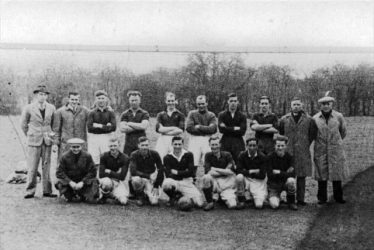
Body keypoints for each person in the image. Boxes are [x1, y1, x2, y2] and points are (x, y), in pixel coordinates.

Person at [278, 97, 318, 205]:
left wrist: (304, 143)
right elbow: (281, 134)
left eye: (298, 104)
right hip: (288, 151)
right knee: (288, 174)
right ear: (290, 106)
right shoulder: (284, 119)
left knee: (301, 175)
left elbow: (312, 134)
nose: (296, 107)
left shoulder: (309, 120)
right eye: (294, 105)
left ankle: (300, 199)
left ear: (302, 105)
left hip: (302, 151)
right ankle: (289, 198)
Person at [21, 85, 57, 199]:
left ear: (47, 96)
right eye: (40, 94)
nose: (42, 96)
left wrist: (51, 137)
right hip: (34, 140)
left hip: (47, 140)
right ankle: (30, 190)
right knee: (32, 166)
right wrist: (30, 134)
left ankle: (47, 190)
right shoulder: (28, 108)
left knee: (46, 166)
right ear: (36, 95)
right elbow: (23, 124)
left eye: (45, 94)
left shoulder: (51, 108)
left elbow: (53, 125)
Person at [313, 93, 348, 204]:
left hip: (335, 149)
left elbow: (343, 132)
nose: (326, 106)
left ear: (331, 104)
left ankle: (338, 197)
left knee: (336, 173)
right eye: (323, 104)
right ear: (320, 106)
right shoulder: (315, 118)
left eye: (328, 104)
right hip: (321, 149)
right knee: (321, 174)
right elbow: (313, 133)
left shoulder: (338, 116)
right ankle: (322, 198)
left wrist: (335, 142)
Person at [162, 136, 204, 210]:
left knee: (199, 204)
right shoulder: (167, 157)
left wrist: (177, 172)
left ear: (183, 144)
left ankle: (182, 196)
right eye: (175, 144)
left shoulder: (189, 155)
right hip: (174, 182)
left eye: (179, 144)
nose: (177, 146)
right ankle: (173, 197)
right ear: (172, 144)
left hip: (186, 181)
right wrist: (185, 172)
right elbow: (168, 174)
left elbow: (191, 172)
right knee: (166, 184)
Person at [55, 138, 99, 203]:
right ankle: (68, 194)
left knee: (91, 200)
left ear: (81, 147)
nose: (76, 149)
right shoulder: (64, 156)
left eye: (78, 147)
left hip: (83, 182)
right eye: (73, 147)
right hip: (69, 183)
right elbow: (59, 172)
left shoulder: (87, 156)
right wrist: (70, 182)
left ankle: (83, 194)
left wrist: (82, 182)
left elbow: (93, 171)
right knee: (59, 182)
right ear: (70, 147)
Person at [202, 136, 238, 211]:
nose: (214, 147)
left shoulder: (227, 155)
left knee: (232, 205)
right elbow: (208, 172)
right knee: (206, 177)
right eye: (212, 145)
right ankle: (210, 202)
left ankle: (222, 198)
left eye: (216, 144)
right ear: (209, 145)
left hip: (226, 182)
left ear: (220, 145)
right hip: (215, 181)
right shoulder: (208, 155)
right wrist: (224, 171)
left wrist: (215, 169)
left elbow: (231, 172)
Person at [53, 91, 89, 158]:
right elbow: (56, 130)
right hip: (66, 145)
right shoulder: (60, 112)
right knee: (64, 165)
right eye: (72, 99)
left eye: (76, 99)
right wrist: (55, 143)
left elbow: (93, 117)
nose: (74, 102)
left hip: (80, 144)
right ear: (68, 99)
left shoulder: (85, 111)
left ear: (79, 100)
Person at [186, 95, 217, 171]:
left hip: (207, 140)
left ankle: (208, 179)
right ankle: (192, 180)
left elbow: (213, 129)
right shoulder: (192, 114)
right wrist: (206, 129)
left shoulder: (211, 115)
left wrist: (199, 126)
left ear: (206, 103)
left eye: (203, 103)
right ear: (196, 104)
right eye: (199, 104)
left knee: (208, 161)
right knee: (193, 160)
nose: (201, 106)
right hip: (194, 139)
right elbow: (189, 128)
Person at [129, 137, 164, 206]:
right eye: (142, 145)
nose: (144, 147)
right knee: (135, 180)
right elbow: (133, 171)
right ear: (138, 145)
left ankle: (147, 194)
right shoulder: (134, 154)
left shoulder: (155, 154)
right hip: (141, 178)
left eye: (146, 145)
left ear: (149, 145)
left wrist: (156, 185)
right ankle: (140, 195)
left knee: (154, 202)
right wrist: (148, 176)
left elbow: (161, 169)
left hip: (151, 180)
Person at [236, 137, 268, 209]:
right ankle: (241, 200)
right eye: (250, 145)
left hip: (258, 181)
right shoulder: (242, 155)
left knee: (259, 205)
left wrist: (246, 171)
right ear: (247, 146)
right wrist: (252, 171)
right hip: (246, 179)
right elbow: (238, 171)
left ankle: (253, 196)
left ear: (257, 146)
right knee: (239, 177)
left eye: (254, 145)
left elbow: (262, 175)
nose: (252, 147)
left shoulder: (262, 157)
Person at [267, 136, 298, 210]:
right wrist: (285, 173)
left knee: (291, 180)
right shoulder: (269, 157)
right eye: (278, 146)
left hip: (285, 183)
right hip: (274, 185)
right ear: (274, 146)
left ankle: (291, 201)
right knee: (274, 205)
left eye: (282, 146)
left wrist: (279, 172)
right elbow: (270, 175)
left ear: (286, 146)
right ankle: (276, 198)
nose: (280, 148)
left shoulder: (290, 157)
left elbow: (293, 175)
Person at [87, 90, 116, 166]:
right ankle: (94, 176)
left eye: (103, 98)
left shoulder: (110, 113)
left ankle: (106, 176)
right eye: (99, 98)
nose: (101, 100)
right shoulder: (92, 112)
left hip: (106, 137)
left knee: (107, 157)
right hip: (94, 138)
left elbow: (113, 127)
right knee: (94, 158)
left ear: (106, 99)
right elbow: (90, 128)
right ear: (96, 100)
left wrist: (98, 126)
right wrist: (107, 126)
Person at [98, 137, 130, 205]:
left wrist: (109, 172)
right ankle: (104, 195)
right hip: (108, 180)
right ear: (108, 146)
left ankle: (113, 194)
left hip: (118, 182)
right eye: (111, 146)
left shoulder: (125, 158)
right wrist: (116, 175)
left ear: (119, 145)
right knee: (106, 182)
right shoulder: (104, 156)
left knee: (124, 201)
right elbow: (101, 174)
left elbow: (122, 177)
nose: (113, 148)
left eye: (115, 145)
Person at [218, 93, 247, 164]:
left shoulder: (242, 116)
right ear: (228, 102)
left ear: (237, 102)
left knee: (239, 163)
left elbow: (242, 131)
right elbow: (221, 130)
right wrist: (235, 128)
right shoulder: (222, 115)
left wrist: (227, 128)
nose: (233, 103)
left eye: (235, 101)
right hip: (225, 142)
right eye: (231, 101)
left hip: (238, 143)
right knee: (224, 163)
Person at [155, 92, 185, 161]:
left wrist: (164, 131)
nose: (171, 103)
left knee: (175, 159)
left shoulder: (180, 115)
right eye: (169, 101)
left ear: (175, 101)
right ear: (166, 101)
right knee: (160, 158)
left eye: (172, 101)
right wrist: (174, 127)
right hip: (162, 140)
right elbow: (159, 129)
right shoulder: (160, 114)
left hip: (175, 139)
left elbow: (180, 130)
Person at [120, 91, 150, 156]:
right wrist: (139, 126)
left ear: (140, 101)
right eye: (132, 100)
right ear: (129, 101)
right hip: (128, 144)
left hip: (142, 143)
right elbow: (122, 129)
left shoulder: (144, 113)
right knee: (127, 162)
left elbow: (144, 126)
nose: (134, 102)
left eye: (136, 100)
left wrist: (129, 123)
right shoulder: (125, 114)